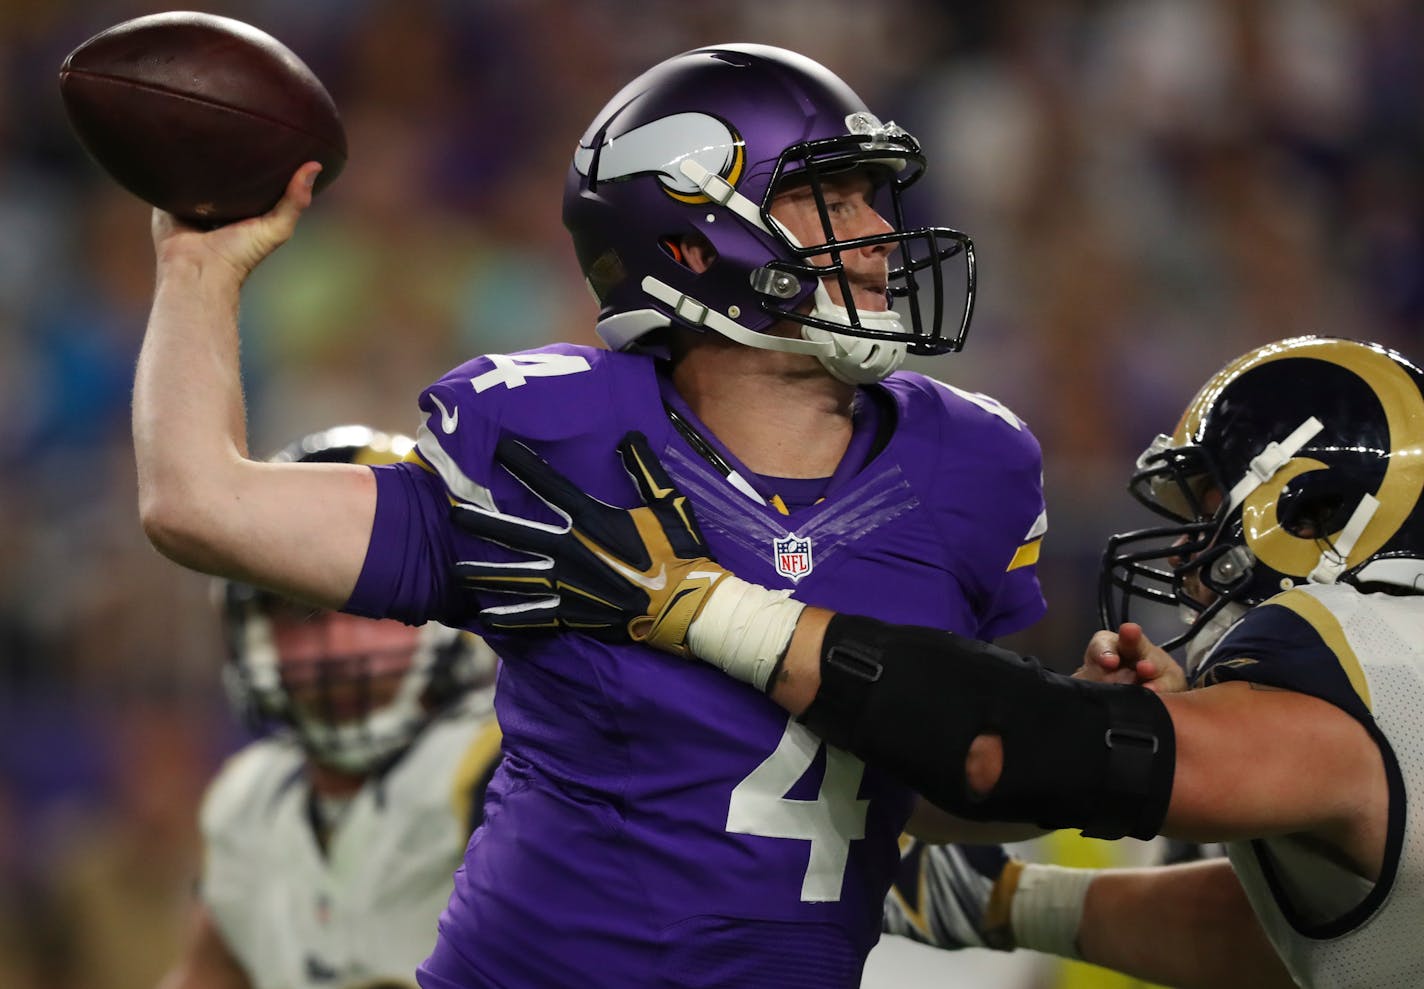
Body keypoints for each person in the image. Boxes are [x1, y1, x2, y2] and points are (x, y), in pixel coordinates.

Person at [134, 43, 1048, 988]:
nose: (876, 236)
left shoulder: (969, 467)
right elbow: (201, 503)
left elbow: (958, 785)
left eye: (871, 196)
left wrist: (1061, 738)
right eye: (833, 198)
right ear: (697, 243)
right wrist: (200, 267)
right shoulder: (553, 445)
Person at [450, 333, 1424, 988]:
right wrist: (1001, 895)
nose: (1181, 553)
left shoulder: (1351, 653)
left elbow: (1028, 747)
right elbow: (1294, 939)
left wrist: (715, 610)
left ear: (1305, 509)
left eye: (1208, 503)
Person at [156, 427, 501, 989]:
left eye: (374, 603)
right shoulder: (250, 803)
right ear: (249, 629)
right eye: (299, 610)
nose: (341, 646)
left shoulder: (507, 767)